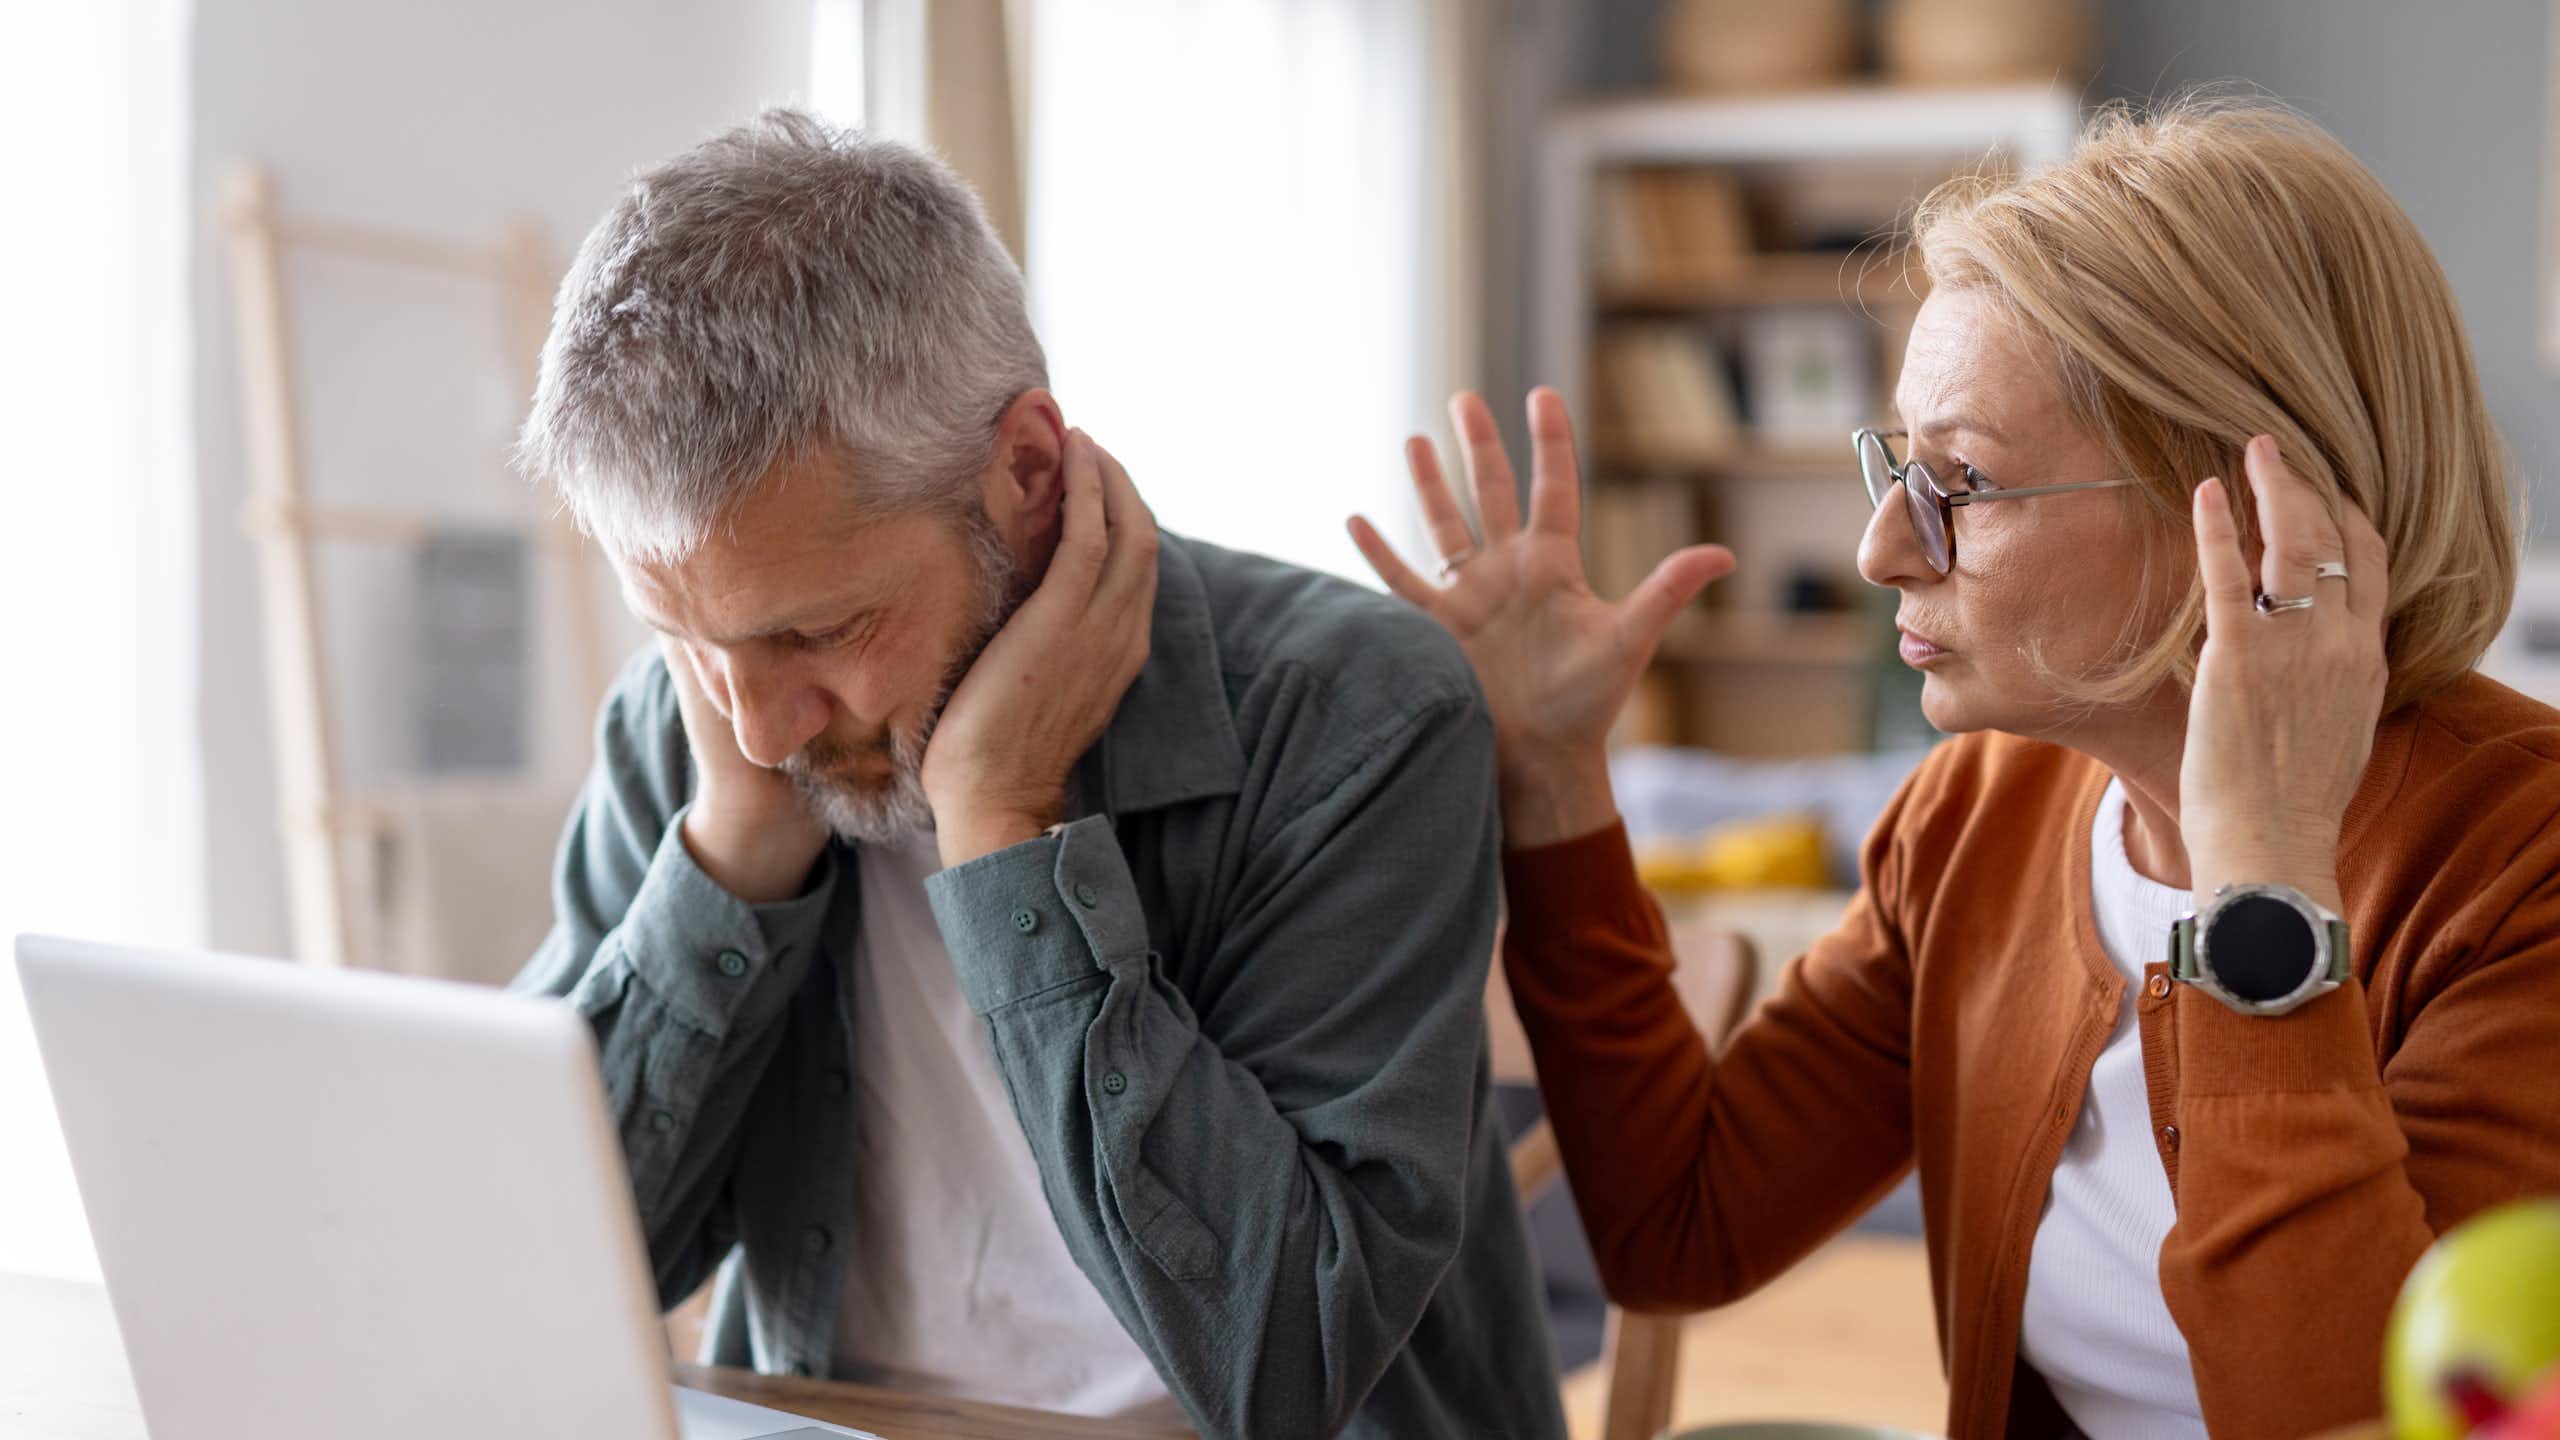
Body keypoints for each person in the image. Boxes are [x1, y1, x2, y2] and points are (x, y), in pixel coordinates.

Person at [1352, 98, 2560, 1440]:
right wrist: (1552, 777)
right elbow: (1681, 1228)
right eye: (1897, 468)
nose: (1881, 551)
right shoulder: (1980, 811)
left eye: (1963, 483)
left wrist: (2262, 881)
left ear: (2247, 510)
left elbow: (2342, 1419)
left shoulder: (2526, 864)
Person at [513, 109, 1564, 1440]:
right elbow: (547, 1273)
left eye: (820, 631)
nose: (763, 727)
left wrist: (1005, 832)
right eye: (684, 637)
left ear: (1023, 469)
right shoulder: (705, 734)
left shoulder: (1356, 717)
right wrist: (735, 846)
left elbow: (1283, 1364)